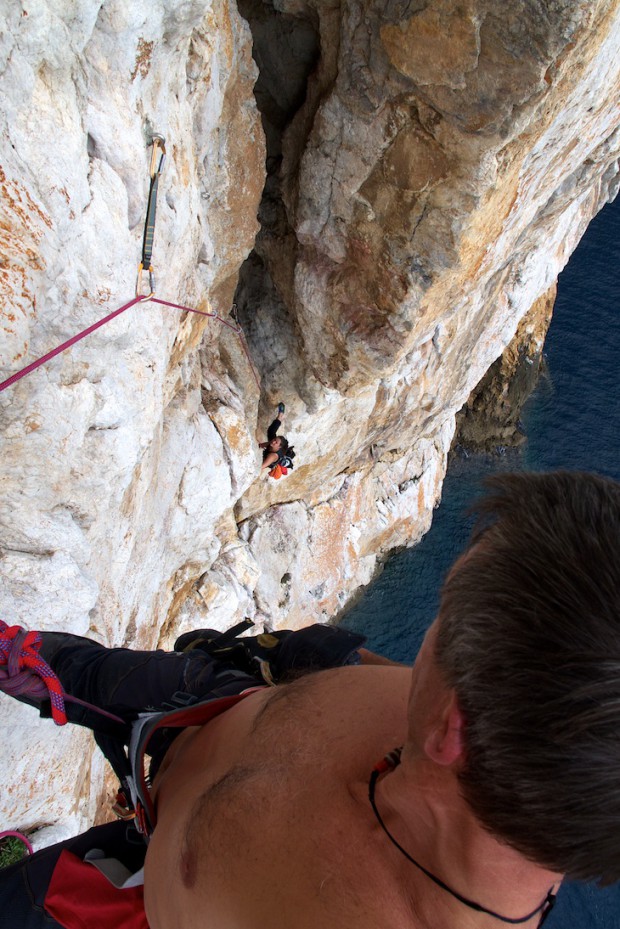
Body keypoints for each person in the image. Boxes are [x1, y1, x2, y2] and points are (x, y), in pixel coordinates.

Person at [2, 470, 620, 929]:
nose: (419, 651)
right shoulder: (507, 732)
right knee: (71, 666)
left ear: (449, 726)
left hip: (110, 899)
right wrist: (314, 661)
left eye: (441, 620)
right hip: (206, 704)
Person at [259, 402, 289, 471]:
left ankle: (281, 416)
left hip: (269, 459)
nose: (273, 441)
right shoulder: (273, 443)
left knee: (270, 432)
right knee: (271, 431)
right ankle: (280, 415)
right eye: (275, 439)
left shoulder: (272, 456)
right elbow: (260, 445)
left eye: (276, 442)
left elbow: (261, 467)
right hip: (273, 450)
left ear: (279, 447)